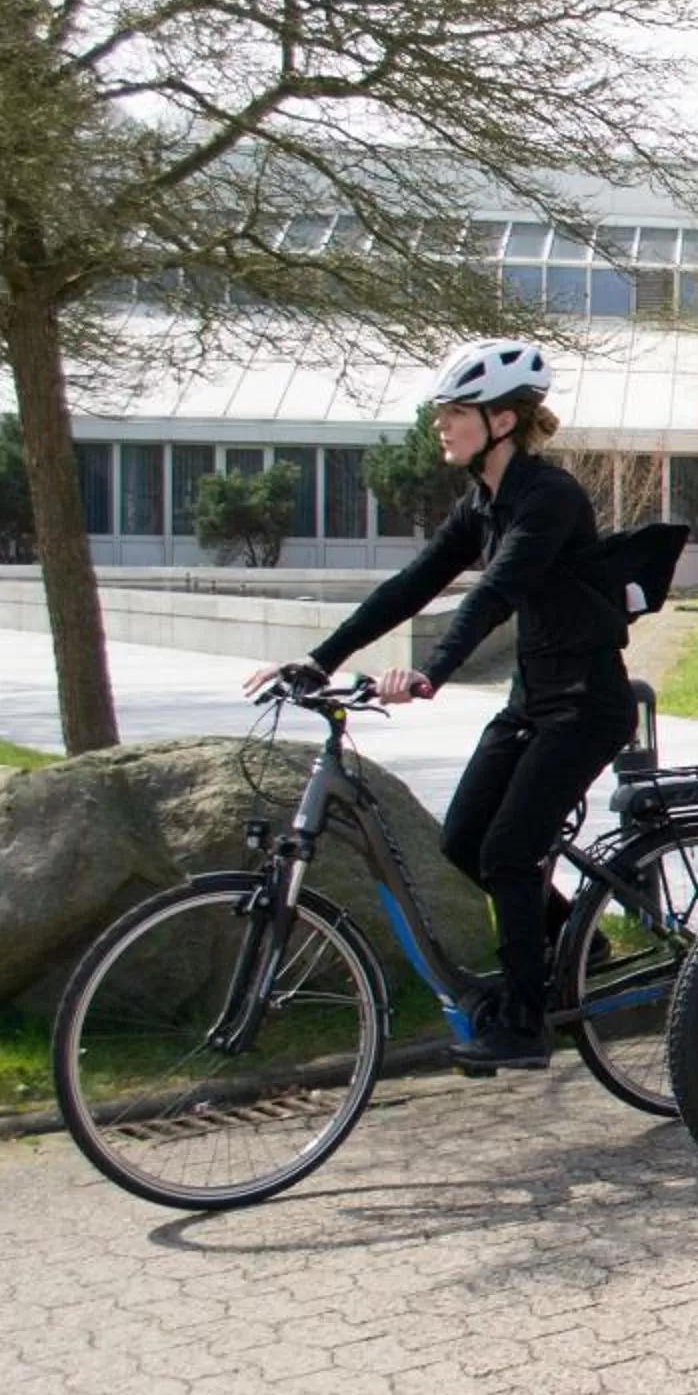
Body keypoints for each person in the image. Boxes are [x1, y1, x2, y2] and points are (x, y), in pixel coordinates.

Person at [243, 338, 633, 1072]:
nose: (440, 426)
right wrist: (319, 660)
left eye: (454, 412)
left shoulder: (550, 498)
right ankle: (579, 939)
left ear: (504, 420)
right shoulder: (483, 503)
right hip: (533, 702)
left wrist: (429, 671)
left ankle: (524, 1025)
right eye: (442, 413)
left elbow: (497, 592)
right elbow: (411, 585)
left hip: (587, 706)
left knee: (510, 851)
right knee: (462, 842)